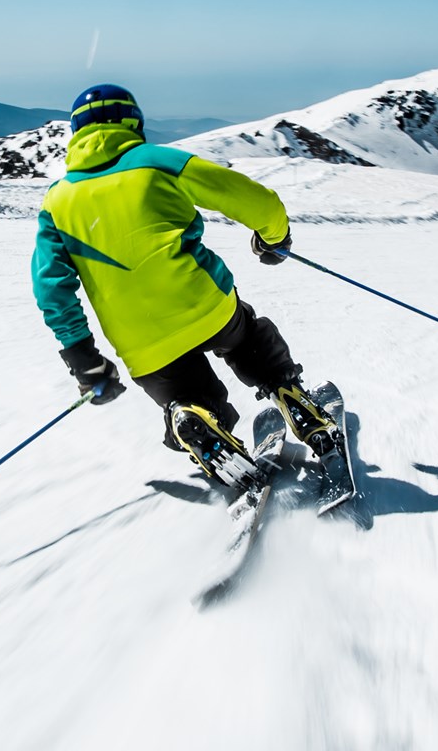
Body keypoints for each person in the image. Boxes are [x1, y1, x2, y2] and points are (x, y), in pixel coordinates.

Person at [32, 84, 340, 490]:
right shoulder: (155, 161)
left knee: (190, 395)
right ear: (133, 122)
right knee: (247, 335)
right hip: (205, 306)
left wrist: (84, 359)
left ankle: (191, 416)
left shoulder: (57, 201)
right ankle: (287, 389)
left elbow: (49, 287)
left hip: (142, 345)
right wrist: (273, 238)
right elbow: (253, 199)